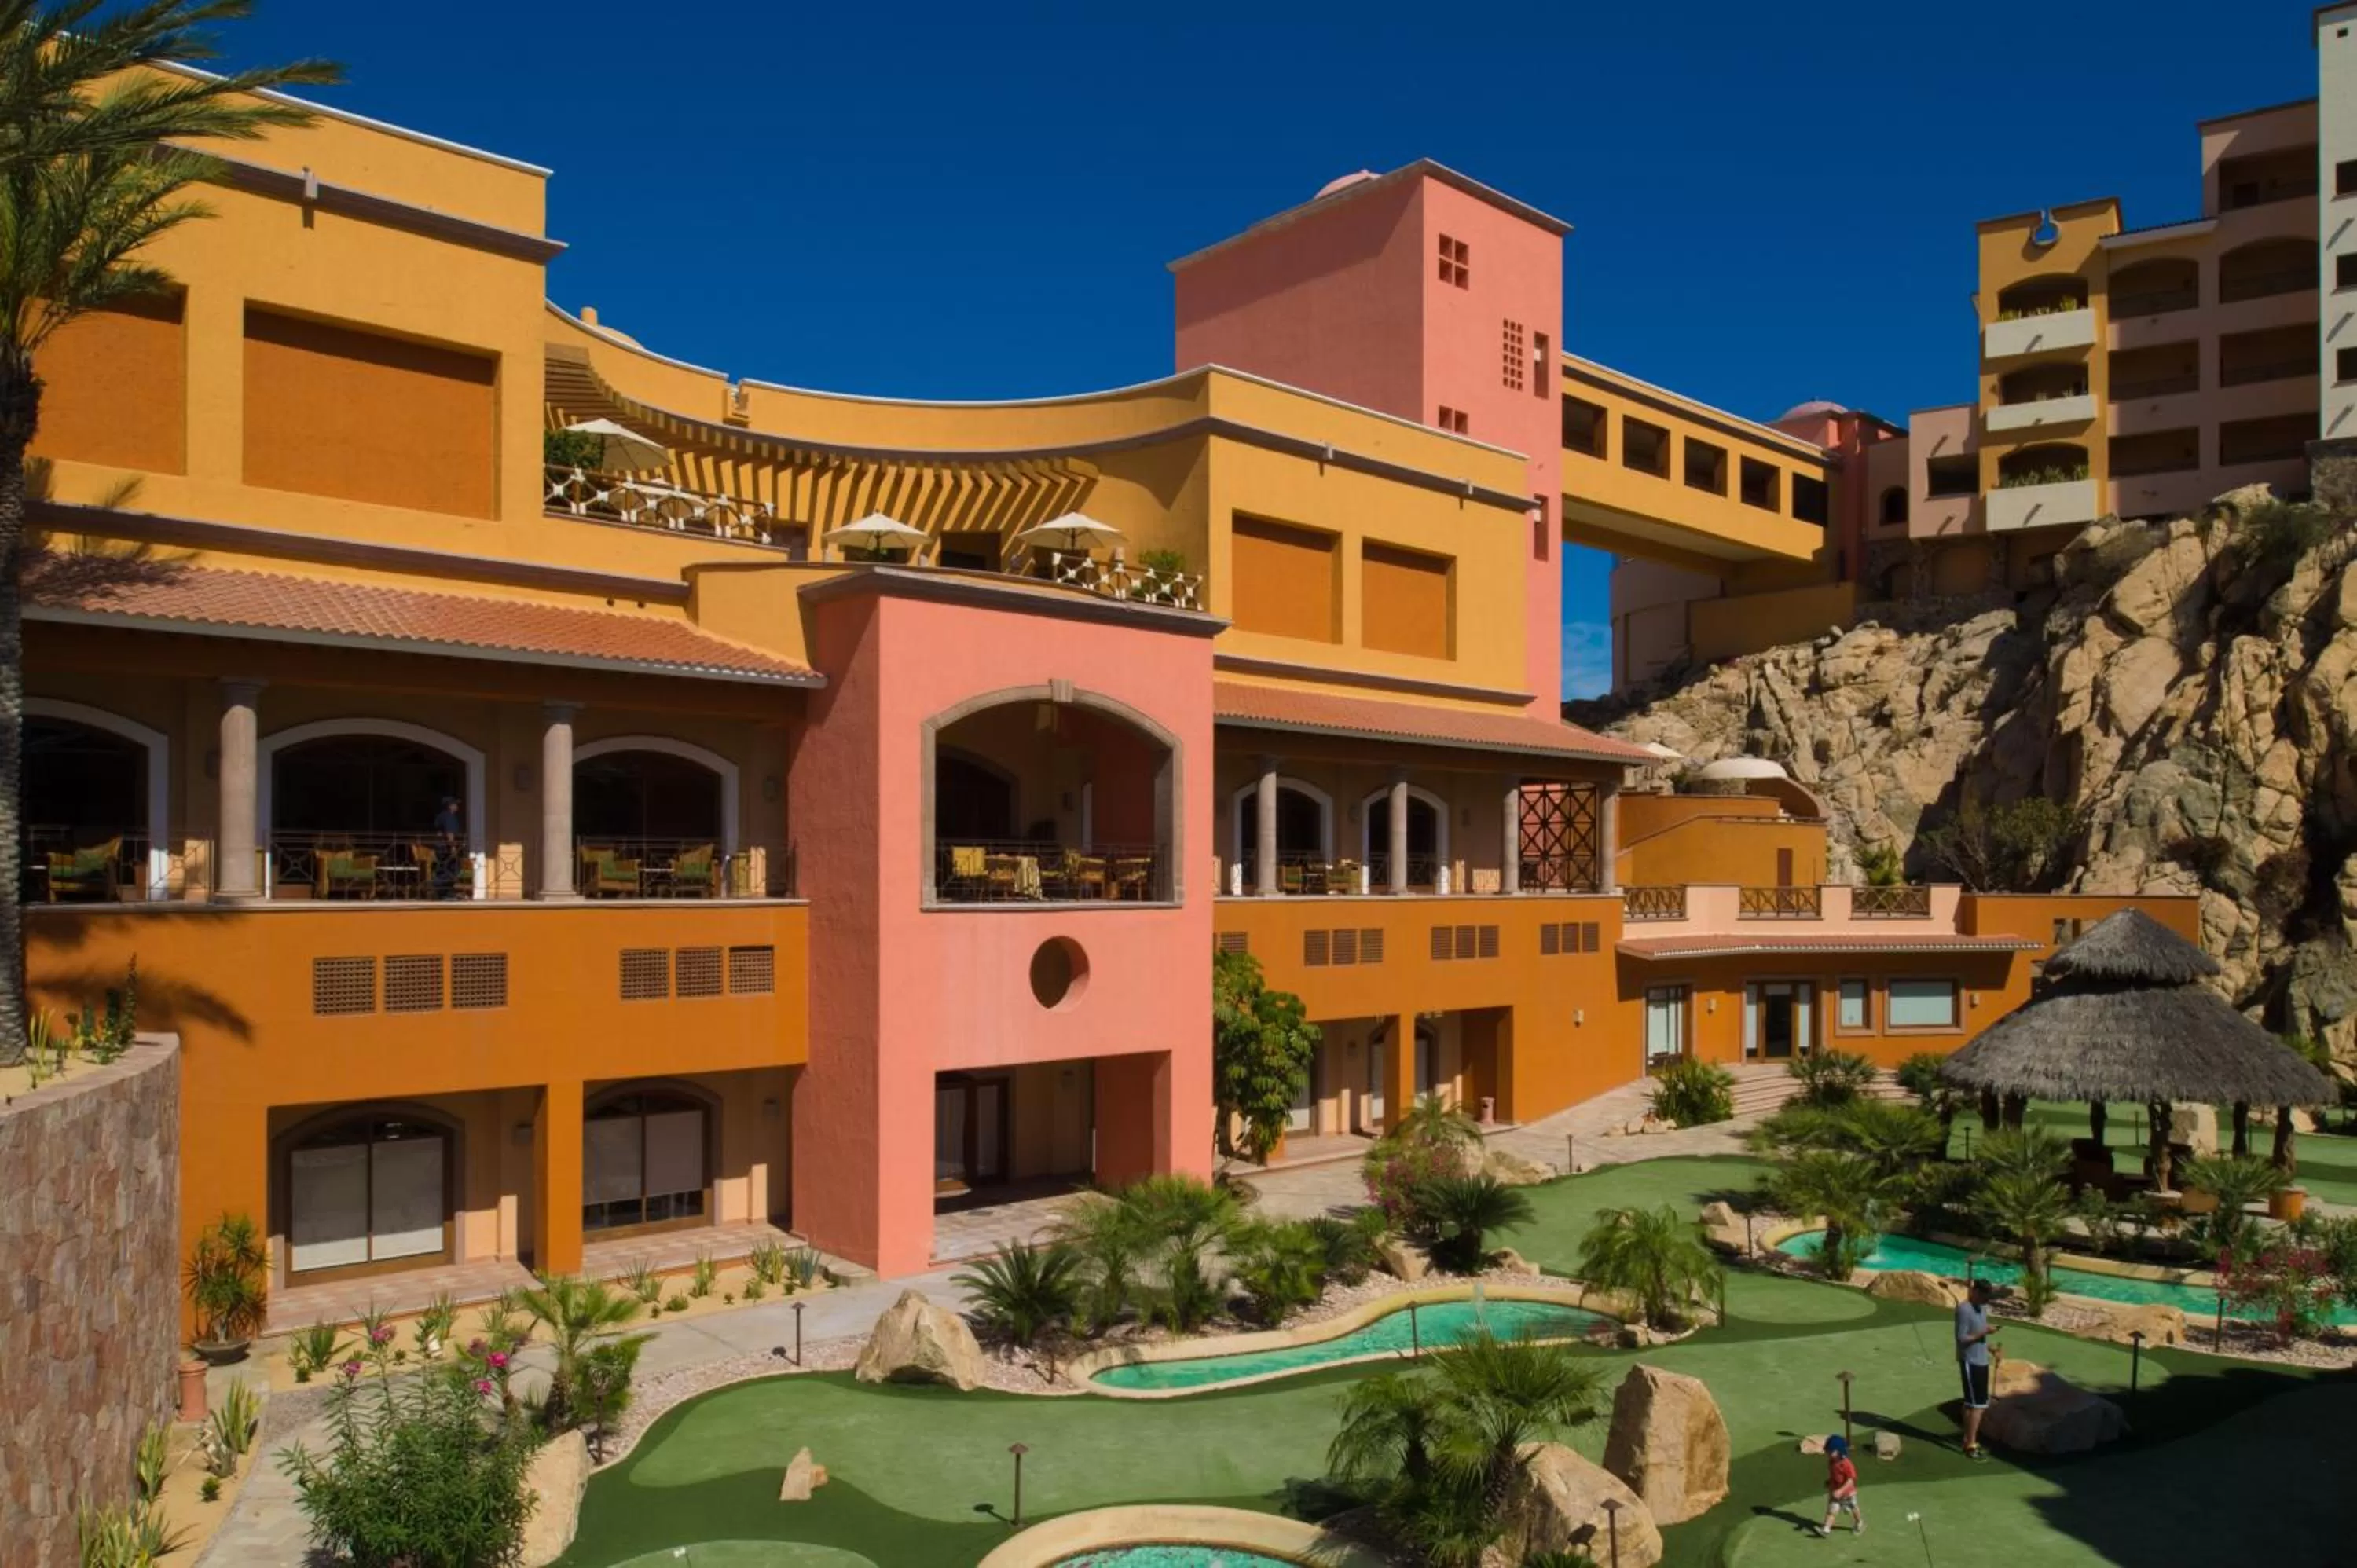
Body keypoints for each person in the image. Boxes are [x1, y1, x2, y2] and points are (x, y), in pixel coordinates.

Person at [1956, 1276, 2000, 1459]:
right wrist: (1984, 1331)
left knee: (1971, 1404)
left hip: (1982, 1360)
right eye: (1984, 1297)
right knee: (1978, 1405)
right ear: (1975, 1292)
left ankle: (1967, 1439)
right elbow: (1962, 1338)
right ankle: (1971, 1445)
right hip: (1970, 1361)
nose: (1986, 1301)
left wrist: (1991, 1348)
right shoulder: (1964, 1310)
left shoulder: (1982, 1309)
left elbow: (1979, 1336)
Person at [1813, 1433, 1864, 1537]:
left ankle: (1859, 1522)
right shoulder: (1831, 1462)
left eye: (1830, 1451)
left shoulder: (1846, 1464)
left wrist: (1841, 1491)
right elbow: (1834, 1475)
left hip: (1848, 1493)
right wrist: (1829, 1481)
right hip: (1835, 1491)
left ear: (1838, 1451)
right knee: (1832, 1510)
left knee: (1854, 1507)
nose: (1828, 1453)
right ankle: (1826, 1529)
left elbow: (1851, 1480)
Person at [431, 794, 464, 899]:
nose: (457, 806)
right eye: (455, 804)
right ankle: (443, 892)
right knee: (452, 869)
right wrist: (453, 847)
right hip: (446, 848)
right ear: (450, 806)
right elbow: (450, 834)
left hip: (440, 847)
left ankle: (444, 892)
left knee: (443, 868)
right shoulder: (450, 817)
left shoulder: (441, 816)